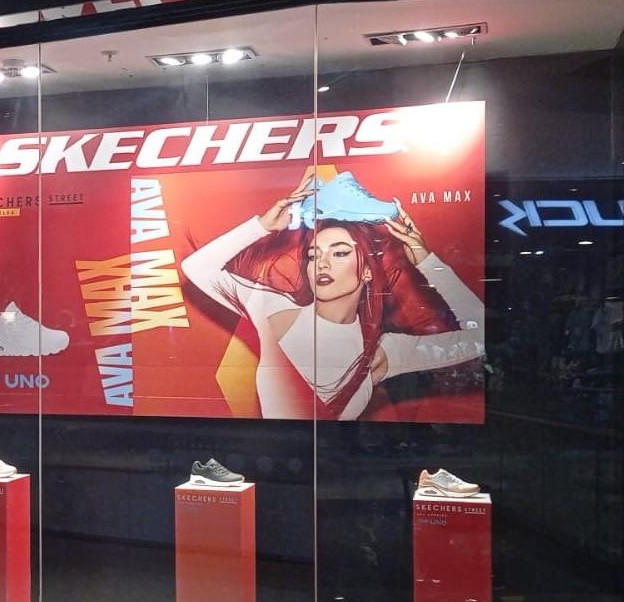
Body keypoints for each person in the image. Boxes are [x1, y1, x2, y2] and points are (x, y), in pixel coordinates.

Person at [181, 177, 484, 420]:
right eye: (314, 256)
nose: (322, 264)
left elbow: (480, 337)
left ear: (368, 271)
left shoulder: (382, 351)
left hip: (334, 469)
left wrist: (427, 261)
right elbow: (196, 268)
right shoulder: (274, 310)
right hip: (274, 463)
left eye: (339, 253)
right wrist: (261, 226)